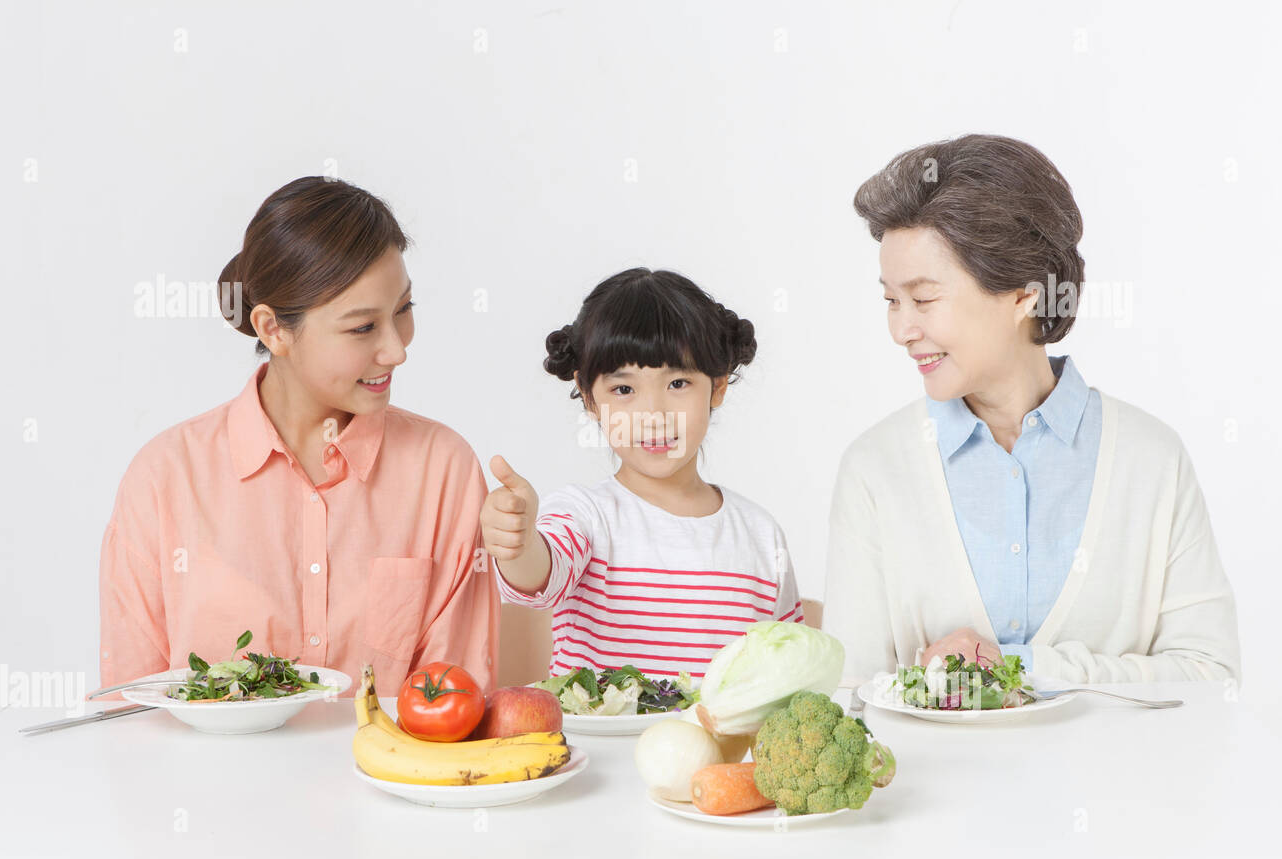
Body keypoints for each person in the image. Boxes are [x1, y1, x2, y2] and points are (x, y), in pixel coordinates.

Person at [823, 134, 1239, 685]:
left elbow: (1212, 678)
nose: (902, 329)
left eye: (923, 299)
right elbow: (852, 700)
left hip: (1116, 777)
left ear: (1025, 293)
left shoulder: (1152, 460)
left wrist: (1022, 668)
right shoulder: (875, 469)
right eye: (890, 301)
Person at [98, 176, 498, 699]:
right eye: (362, 328)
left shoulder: (443, 470)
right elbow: (131, 707)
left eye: (403, 310)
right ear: (273, 329)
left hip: (386, 782)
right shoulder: (165, 478)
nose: (397, 350)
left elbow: (456, 704)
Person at [480, 268, 804, 679]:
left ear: (718, 386)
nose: (653, 415)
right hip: (597, 746)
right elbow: (539, 576)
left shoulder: (761, 534)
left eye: (678, 383)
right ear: (588, 395)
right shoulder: (585, 515)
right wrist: (518, 543)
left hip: (720, 745)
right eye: (624, 390)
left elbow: (791, 671)